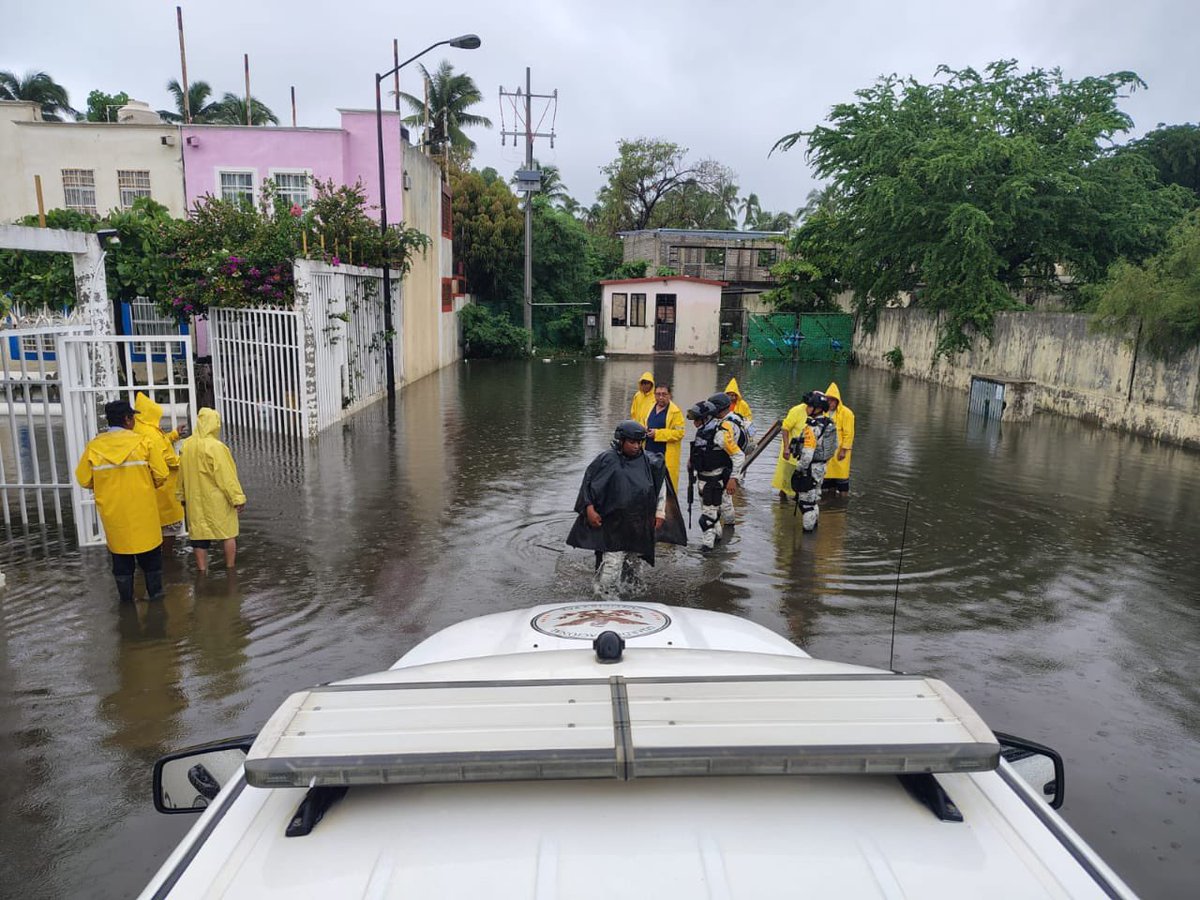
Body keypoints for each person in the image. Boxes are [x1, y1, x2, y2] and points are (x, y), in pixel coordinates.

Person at [566, 420, 686, 599]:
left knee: (634, 562)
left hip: (638, 522)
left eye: (639, 442)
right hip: (612, 523)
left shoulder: (651, 462)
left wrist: (660, 513)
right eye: (632, 442)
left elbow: (660, 489)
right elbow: (588, 486)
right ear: (621, 440)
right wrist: (589, 509)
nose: (637, 446)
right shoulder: (606, 460)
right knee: (612, 563)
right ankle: (605, 598)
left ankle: (631, 595)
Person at [75, 399, 169, 602]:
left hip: (114, 517)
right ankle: (157, 606)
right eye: (133, 417)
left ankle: (126, 606)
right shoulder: (144, 443)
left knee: (121, 562)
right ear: (127, 419)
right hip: (144, 515)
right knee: (152, 562)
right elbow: (161, 474)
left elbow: (84, 479)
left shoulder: (94, 448)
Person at [177, 408, 246, 575]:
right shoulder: (216, 447)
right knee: (228, 533)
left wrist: (181, 494)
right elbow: (226, 476)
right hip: (217, 500)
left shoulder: (187, 445)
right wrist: (238, 498)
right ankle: (230, 569)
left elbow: (181, 475)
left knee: (199, 536)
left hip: (194, 499)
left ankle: (202, 570)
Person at [687, 393, 746, 550]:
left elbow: (739, 455)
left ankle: (707, 549)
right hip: (702, 478)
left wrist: (734, 478)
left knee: (707, 517)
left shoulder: (720, 433)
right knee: (711, 512)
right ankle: (718, 538)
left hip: (715, 480)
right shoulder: (704, 431)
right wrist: (691, 462)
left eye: (697, 419)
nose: (694, 423)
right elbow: (700, 451)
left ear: (706, 418)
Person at [133, 392, 190, 553]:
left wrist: (173, 436)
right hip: (163, 487)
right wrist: (186, 461)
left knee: (150, 526)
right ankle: (167, 560)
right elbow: (168, 459)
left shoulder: (137, 429)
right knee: (168, 528)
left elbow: (159, 445)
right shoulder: (151, 433)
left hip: (145, 486)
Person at [789, 391, 838, 532]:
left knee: (806, 503)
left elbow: (808, 453)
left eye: (809, 406)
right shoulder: (828, 424)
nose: (806, 408)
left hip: (810, 468)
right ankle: (814, 529)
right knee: (814, 498)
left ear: (817, 408)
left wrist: (799, 469)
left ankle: (807, 540)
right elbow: (834, 446)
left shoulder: (812, 427)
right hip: (821, 467)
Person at [643, 382, 686, 491]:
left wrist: (657, 434)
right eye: (658, 394)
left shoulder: (675, 412)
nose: (661, 397)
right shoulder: (650, 408)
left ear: (670, 395)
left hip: (665, 455)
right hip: (648, 453)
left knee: (666, 489)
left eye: (664, 394)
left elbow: (679, 433)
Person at [771, 398, 811, 503]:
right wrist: (786, 448)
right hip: (792, 452)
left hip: (807, 454)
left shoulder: (820, 414)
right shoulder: (796, 411)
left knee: (802, 484)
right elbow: (785, 428)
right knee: (785, 483)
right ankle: (782, 506)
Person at [823, 382, 855, 494]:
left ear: (837, 400)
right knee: (826, 479)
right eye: (828, 400)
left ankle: (842, 501)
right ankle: (830, 502)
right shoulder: (823, 412)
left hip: (840, 451)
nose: (830, 402)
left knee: (841, 480)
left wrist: (843, 450)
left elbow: (849, 433)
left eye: (832, 400)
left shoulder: (847, 413)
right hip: (826, 451)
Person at [724, 377, 756, 449]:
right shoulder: (724, 404)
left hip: (739, 430)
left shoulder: (743, 404)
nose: (733, 397)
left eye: (735, 395)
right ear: (727, 394)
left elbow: (749, 417)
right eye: (731, 395)